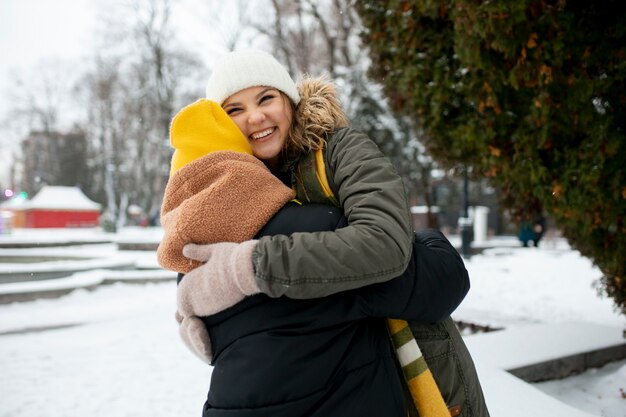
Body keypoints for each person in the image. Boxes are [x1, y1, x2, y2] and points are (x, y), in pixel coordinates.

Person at [169, 49, 489, 416]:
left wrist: (252, 265)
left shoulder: (339, 150)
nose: (255, 117)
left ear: (289, 100)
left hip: (404, 357)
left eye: (266, 98)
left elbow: (383, 244)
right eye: (234, 110)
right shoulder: (232, 192)